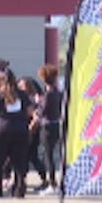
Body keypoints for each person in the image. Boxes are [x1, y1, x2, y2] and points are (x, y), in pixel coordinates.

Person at [0, 71, 32, 198]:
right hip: (20, 130)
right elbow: (29, 112)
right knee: (19, 162)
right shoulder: (22, 95)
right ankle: (19, 189)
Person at [35, 65, 63, 195]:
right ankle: (55, 182)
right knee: (51, 154)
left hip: (47, 127)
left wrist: (37, 105)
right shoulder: (57, 92)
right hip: (56, 124)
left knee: (48, 156)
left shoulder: (48, 94)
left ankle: (52, 183)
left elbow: (41, 111)